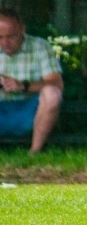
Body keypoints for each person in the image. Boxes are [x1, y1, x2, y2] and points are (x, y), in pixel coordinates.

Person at [0, 8, 64, 154]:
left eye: (11, 36)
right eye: (0, 37)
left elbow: (57, 84)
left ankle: (35, 151)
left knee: (52, 94)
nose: (5, 43)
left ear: (22, 30)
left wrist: (22, 85)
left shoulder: (40, 47)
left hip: (30, 109)